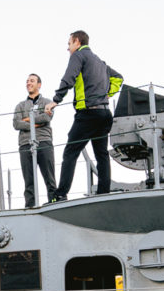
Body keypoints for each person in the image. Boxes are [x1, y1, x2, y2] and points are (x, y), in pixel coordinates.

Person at [50, 30, 120, 201]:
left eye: (69, 44)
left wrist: (55, 100)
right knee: (101, 154)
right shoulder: (99, 61)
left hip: (88, 113)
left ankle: (60, 194)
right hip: (104, 113)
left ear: (77, 42)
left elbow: (69, 77)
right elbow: (118, 78)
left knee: (70, 152)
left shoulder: (78, 56)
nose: (68, 48)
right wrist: (107, 94)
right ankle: (104, 193)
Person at [13, 73, 57, 207]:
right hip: (25, 144)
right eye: (27, 81)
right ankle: (30, 205)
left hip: (44, 141)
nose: (28, 83)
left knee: (49, 176)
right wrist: (35, 123)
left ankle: (53, 201)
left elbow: (46, 118)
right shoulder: (20, 105)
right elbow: (16, 124)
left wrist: (27, 119)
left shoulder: (47, 102)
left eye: (32, 81)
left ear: (39, 85)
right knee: (28, 179)